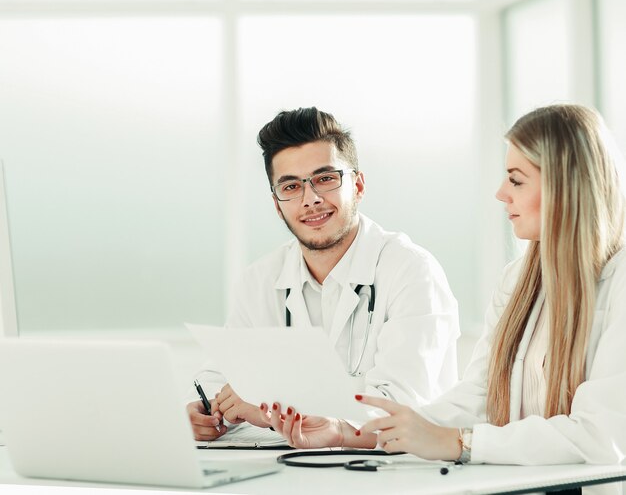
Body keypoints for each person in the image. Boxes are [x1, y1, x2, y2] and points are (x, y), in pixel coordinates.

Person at [349, 105, 626, 482]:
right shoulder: (518, 280)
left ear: (564, 186)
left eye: (516, 180)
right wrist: (359, 433)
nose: (500, 194)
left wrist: (460, 444)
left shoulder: (619, 282)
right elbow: (479, 396)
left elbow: (599, 436)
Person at [187, 107, 460, 447]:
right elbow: (219, 377)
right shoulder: (259, 280)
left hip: (395, 477)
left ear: (358, 185)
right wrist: (206, 414)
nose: (311, 199)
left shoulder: (411, 271)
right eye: (290, 186)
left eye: (325, 179)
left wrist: (265, 409)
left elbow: (401, 407)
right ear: (276, 203)